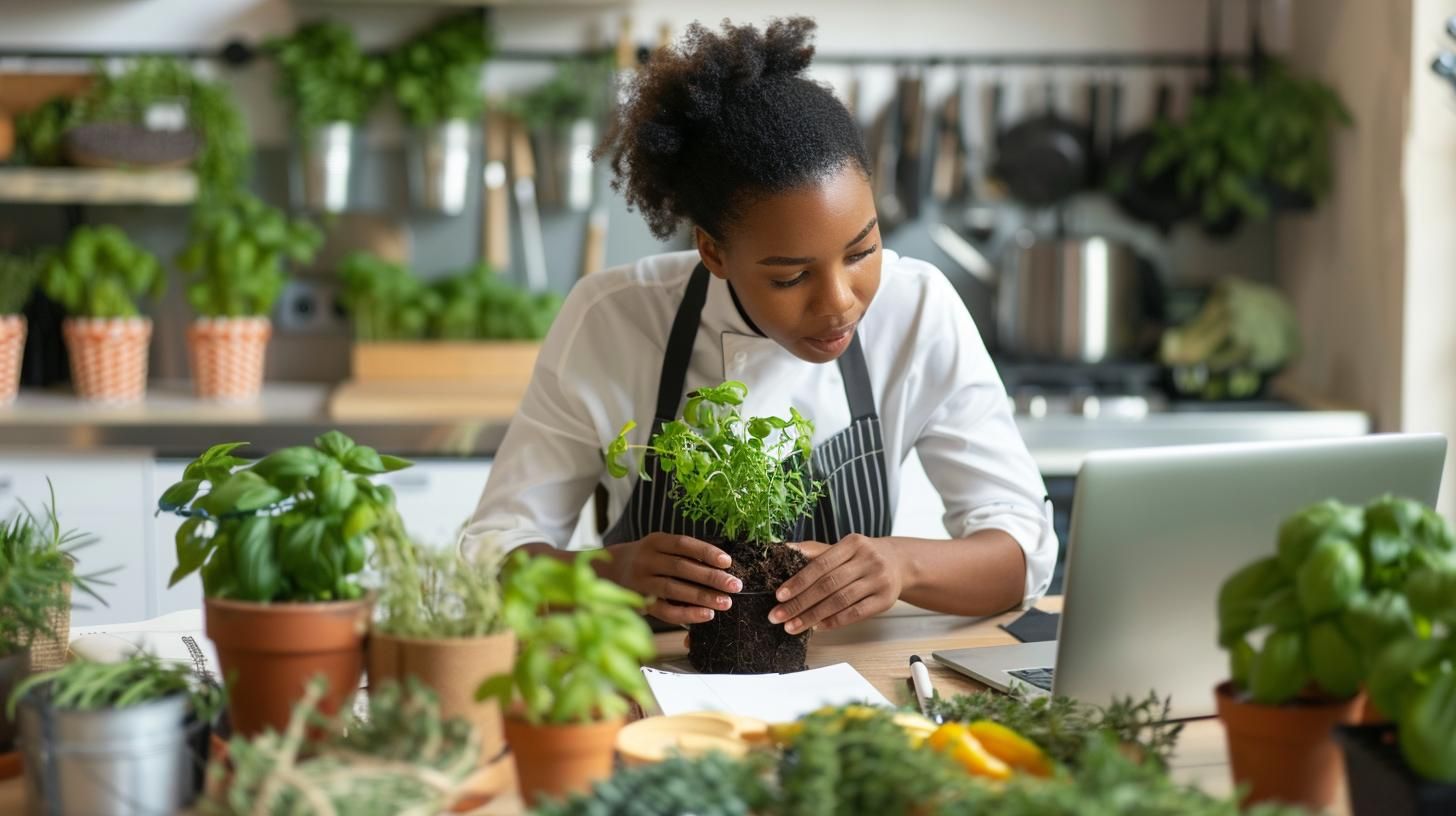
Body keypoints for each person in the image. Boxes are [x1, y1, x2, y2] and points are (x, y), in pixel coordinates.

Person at [463, 17, 1055, 635]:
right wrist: (605, 576)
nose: (839, 304)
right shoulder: (612, 319)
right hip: (653, 689)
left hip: (853, 682)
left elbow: (1024, 551)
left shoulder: (918, 309)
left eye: (862, 252)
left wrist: (901, 565)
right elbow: (491, 555)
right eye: (790, 277)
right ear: (713, 252)